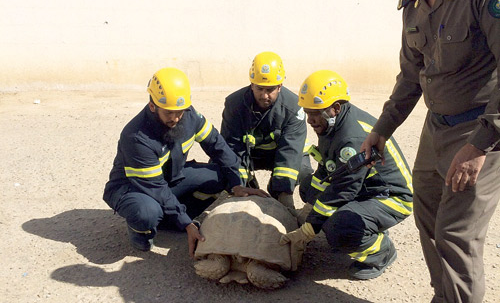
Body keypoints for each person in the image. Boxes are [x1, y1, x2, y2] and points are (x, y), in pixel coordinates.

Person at [360, 0, 500, 302]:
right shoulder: (413, 5)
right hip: (436, 130)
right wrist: (381, 130)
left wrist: (479, 147)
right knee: (430, 222)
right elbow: (410, 76)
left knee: (457, 235)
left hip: (478, 134)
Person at [103, 67, 268, 256]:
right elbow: (156, 187)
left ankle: (172, 220)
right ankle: (142, 231)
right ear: (152, 106)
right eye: (169, 113)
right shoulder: (137, 137)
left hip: (170, 177)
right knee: (147, 212)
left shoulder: (189, 115)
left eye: (179, 112)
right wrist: (187, 223)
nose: (175, 118)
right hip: (135, 188)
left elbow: (217, 145)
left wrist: (237, 183)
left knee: (221, 176)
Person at [279, 70, 412, 280]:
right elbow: (329, 166)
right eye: (307, 112)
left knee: (339, 227)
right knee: (309, 190)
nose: (310, 120)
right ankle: (363, 227)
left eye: (316, 113)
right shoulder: (331, 124)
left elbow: (344, 188)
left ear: (335, 108)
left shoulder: (351, 139)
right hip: (365, 186)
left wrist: (309, 229)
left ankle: (380, 251)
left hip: (391, 196)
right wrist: (311, 207)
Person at [220, 51, 313, 208]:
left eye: (270, 90)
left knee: (302, 170)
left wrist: (283, 194)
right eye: (259, 89)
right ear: (252, 85)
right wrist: (240, 184)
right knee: (219, 167)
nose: (264, 95)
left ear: (280, 86)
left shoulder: (294, 107)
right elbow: (232, 147)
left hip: (280, 153)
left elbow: (290, 152)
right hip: (252, 154)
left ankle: (276, 190)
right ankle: (250, 183)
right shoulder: (234, 104)